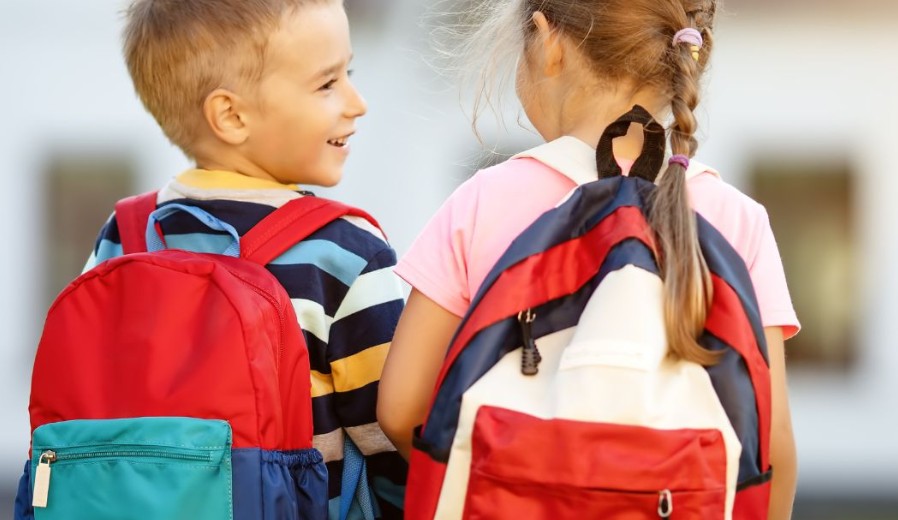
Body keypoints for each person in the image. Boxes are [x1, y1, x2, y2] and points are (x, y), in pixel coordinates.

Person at [378, 0, 798, 518]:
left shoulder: (482, 201)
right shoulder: (737, 219)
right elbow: (772, 444)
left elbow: (402, 408)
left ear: (547, 39)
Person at [85, 0, 406, 517]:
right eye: (328, 83)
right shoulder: (345, 252)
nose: (357, 102)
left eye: (350, 73)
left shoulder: (125, 235)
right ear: (232, 116)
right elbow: (394, 436)